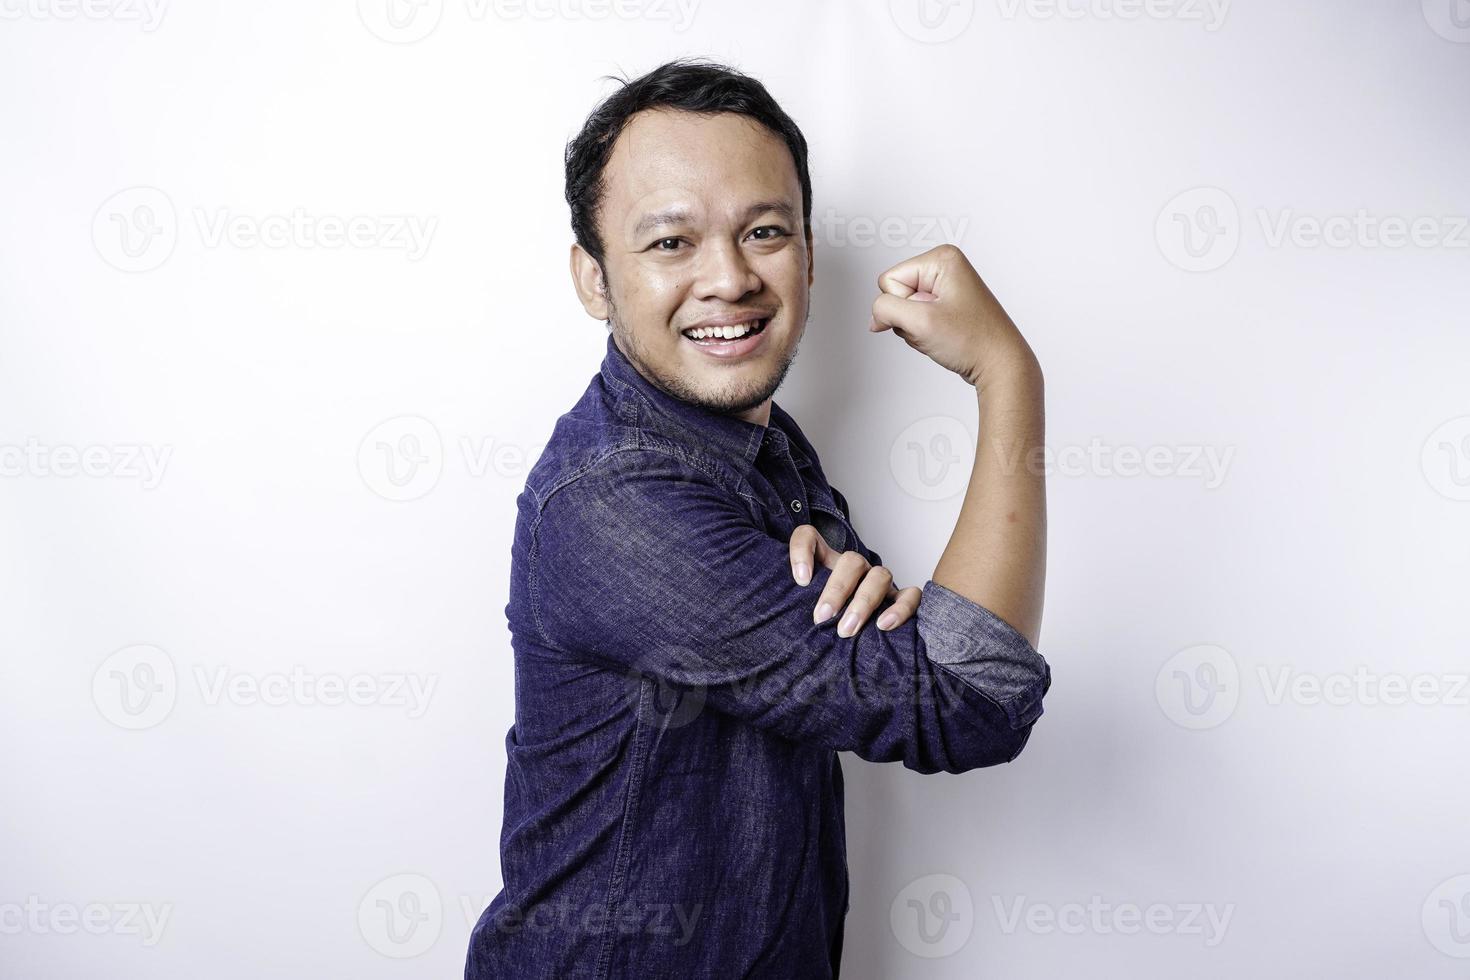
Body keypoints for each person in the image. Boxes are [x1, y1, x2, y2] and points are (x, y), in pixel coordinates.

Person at [465, 57, 1052, 980]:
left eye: (765, 231)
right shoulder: (616, 502)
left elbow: (902, 650)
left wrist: (871, 611)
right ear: (593, 279)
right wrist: (1008, 373)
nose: (729, 278)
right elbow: (965, 700)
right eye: (670, 242)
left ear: (811, 254)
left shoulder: (769, 448)